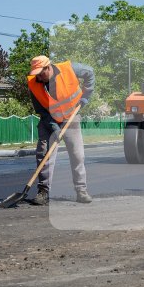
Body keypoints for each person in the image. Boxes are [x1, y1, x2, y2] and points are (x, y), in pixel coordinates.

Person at [26, 55, 95, 205]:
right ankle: (43, 191)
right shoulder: (33, 83)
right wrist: (55, 128)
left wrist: (85, 97)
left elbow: (90, 72)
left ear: (48, 67)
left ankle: (81, 191)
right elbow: (41, 110)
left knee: (78, 155)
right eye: (36, 74)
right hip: (49, 120)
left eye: (41, 73)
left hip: (71, 117)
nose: (39, 77)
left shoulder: (69, 69)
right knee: (44, 155)